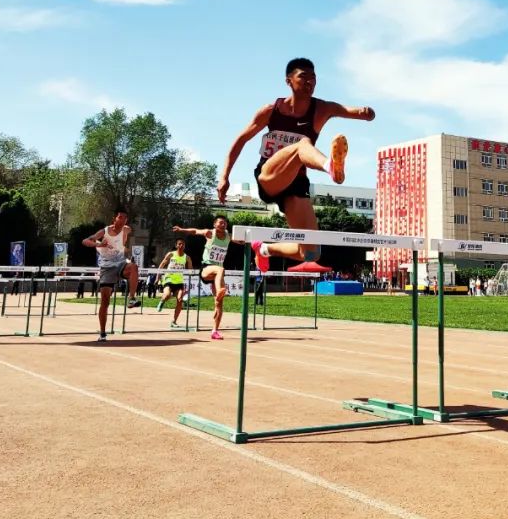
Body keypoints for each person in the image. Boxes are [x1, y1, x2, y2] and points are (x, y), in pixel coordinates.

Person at [216, 57, 375, 272]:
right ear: (289, 81)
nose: (310, 82)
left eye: (313, 78)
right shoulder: (271, 110)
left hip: (297, 183)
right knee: (302, 144)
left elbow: (349, 110)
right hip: (270, 176)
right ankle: (331, 167)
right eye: (304, 77)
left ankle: (264, 249)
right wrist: (224, 176)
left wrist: (365, 113)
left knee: (311, 251)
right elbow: (241, 139)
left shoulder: (321, 109)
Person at [172, 216, 243, 340]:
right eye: (220, 223)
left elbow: (242, 242)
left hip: (217, 276)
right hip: (206, 269)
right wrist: (181, 229)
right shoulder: (210, 233)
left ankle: (215, 331)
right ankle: (221, 290)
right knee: (220, 269)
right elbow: (194, 231)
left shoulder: (228, 236)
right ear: (215, 224)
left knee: (219, 304)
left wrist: (257, 244)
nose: (223, 225)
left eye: (225, 223)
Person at [83, 210, 141, 342]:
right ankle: (102, 332)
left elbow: (126, 234)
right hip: (107, 267)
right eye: (120, 217)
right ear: (114, 219)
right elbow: (85, 241)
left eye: (125, 218)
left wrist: (124, 246)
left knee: (134, 267)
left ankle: (131, 298)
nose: (122, 220)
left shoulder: (126, 230)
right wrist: (99, 244)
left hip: (120, 264)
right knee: (105, 302)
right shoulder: (104, 232)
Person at [156, 238, 191, 327]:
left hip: (179, 281)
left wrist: (190, 280)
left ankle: (174, 321)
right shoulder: (171, 254)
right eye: (179, 244)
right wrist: (158, 277)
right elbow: (162, 265)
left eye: (183, 244)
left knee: (180, 299)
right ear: (176, 245)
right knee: (167, 295)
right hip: (169, 279)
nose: (181, 246)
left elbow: (190, 270)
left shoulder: (187, 257)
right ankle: (162, 301)